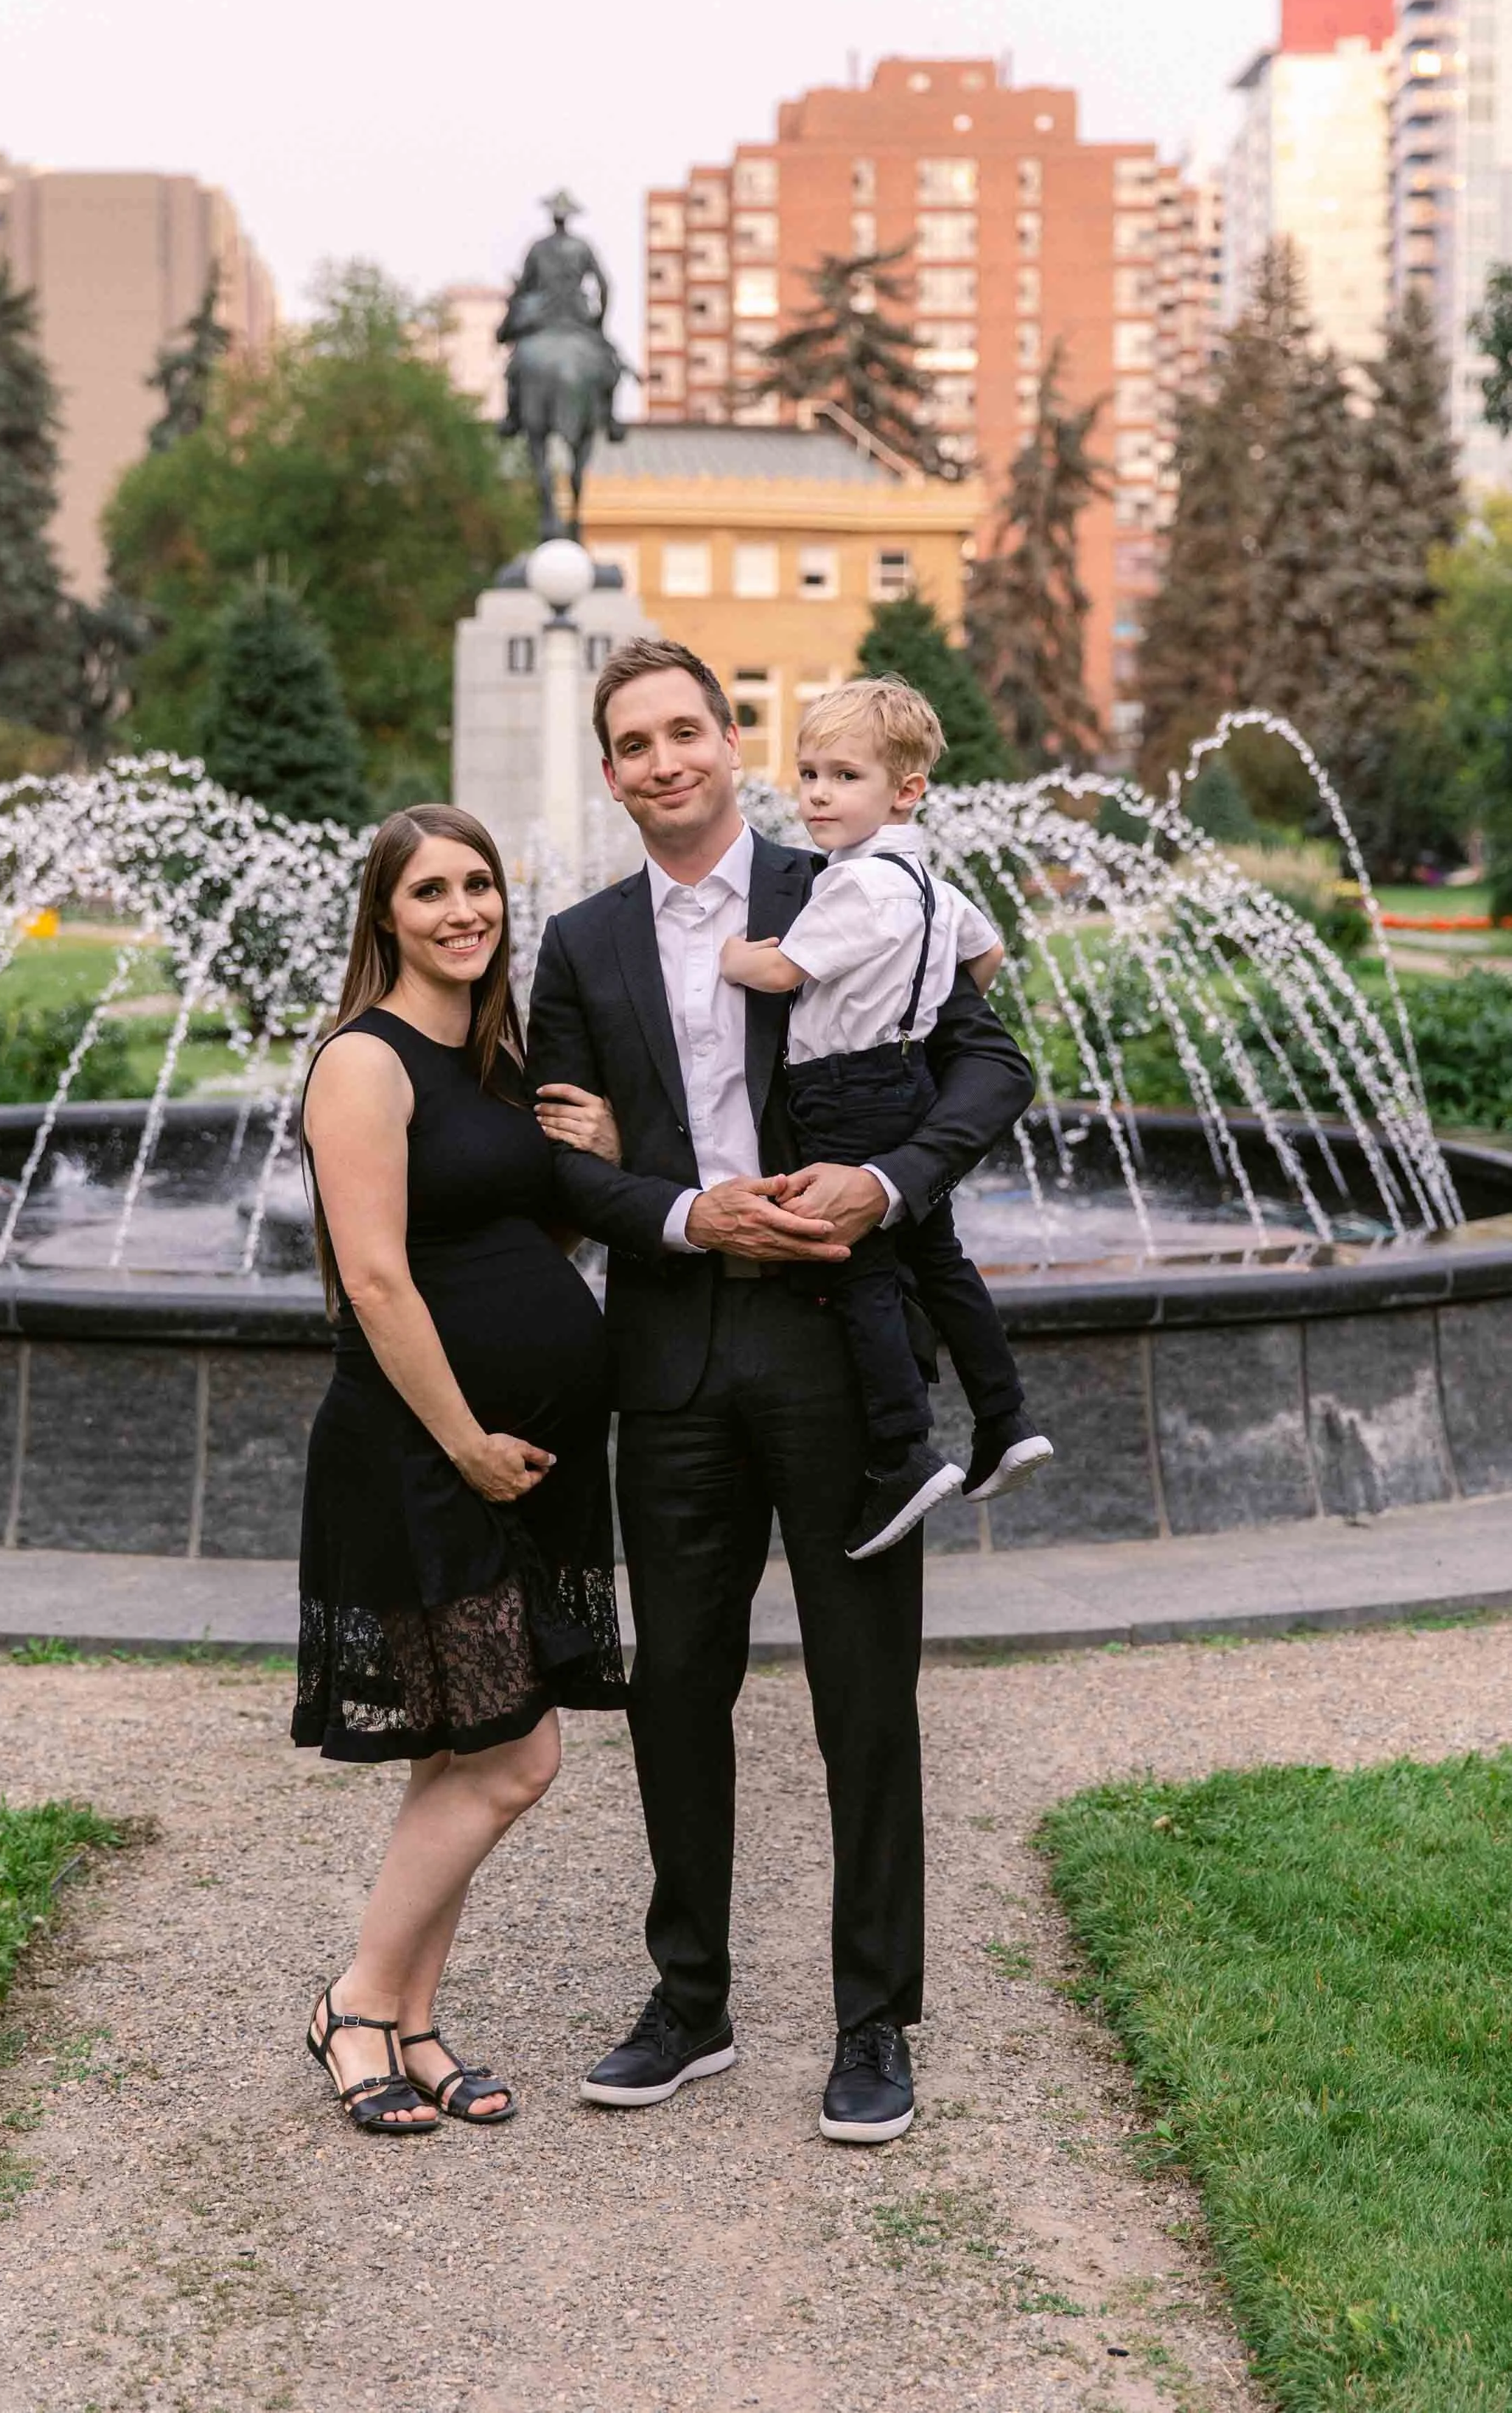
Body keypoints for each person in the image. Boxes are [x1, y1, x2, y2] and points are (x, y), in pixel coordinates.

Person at [527, 639, 1034, 2146]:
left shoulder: (848, 883)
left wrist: (885, 1185)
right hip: (673, 1354)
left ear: (729, 741)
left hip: (839, 1344)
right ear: (609, 771)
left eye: (686, 731)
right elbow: (560, 1160)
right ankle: (689, 2002)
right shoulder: (579, 945)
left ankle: (873, 2019)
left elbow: (991, 1068)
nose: (664, 760)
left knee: (862, 1693)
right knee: (673, 1685)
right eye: (633, 743)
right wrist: (682, 1212)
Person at [292, 804, 626, 2136]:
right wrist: (464, 1442)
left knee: (466, 1748)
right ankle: (357, 2005)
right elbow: (375, 1275)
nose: (462, 911)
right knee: (516, 1757)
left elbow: (511, 1236)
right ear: (386, 916)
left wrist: (588, 1167)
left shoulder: (493, 1057)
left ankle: (413, 2023)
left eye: (480, 885)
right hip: (424, 1452)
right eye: (430, 891)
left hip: (523, 1456)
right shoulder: (362, 1064)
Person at [720, 676, 1052, 1562]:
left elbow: (782, 975)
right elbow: (988, 955)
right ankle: (1004, 1417)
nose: (817, 795)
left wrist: (733, 957)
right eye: (808, 774)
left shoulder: (855, 886)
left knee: (858, 1266)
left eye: (842, 776)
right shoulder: (930, 887)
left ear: (904, 790)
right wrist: (908, 1014)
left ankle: (903, 1449)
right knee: (938, 1260)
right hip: (906, 1079)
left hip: (840, 1089)